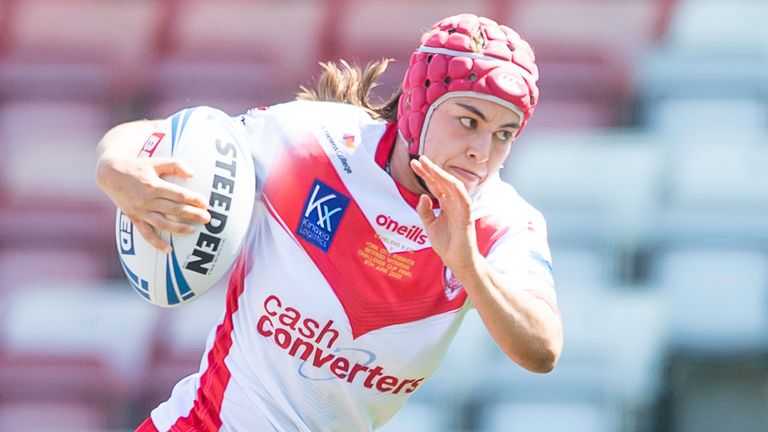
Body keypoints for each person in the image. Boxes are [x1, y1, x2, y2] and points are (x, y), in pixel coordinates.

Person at [96, 13, 562, 432]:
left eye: (504, 135)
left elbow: (542, 348)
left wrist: (468, 266)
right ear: (418, 106)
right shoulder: (311, 142)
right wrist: (114, 163)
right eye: (468, 121)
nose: (483, 152)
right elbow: (170, 136)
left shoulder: (502, 223)